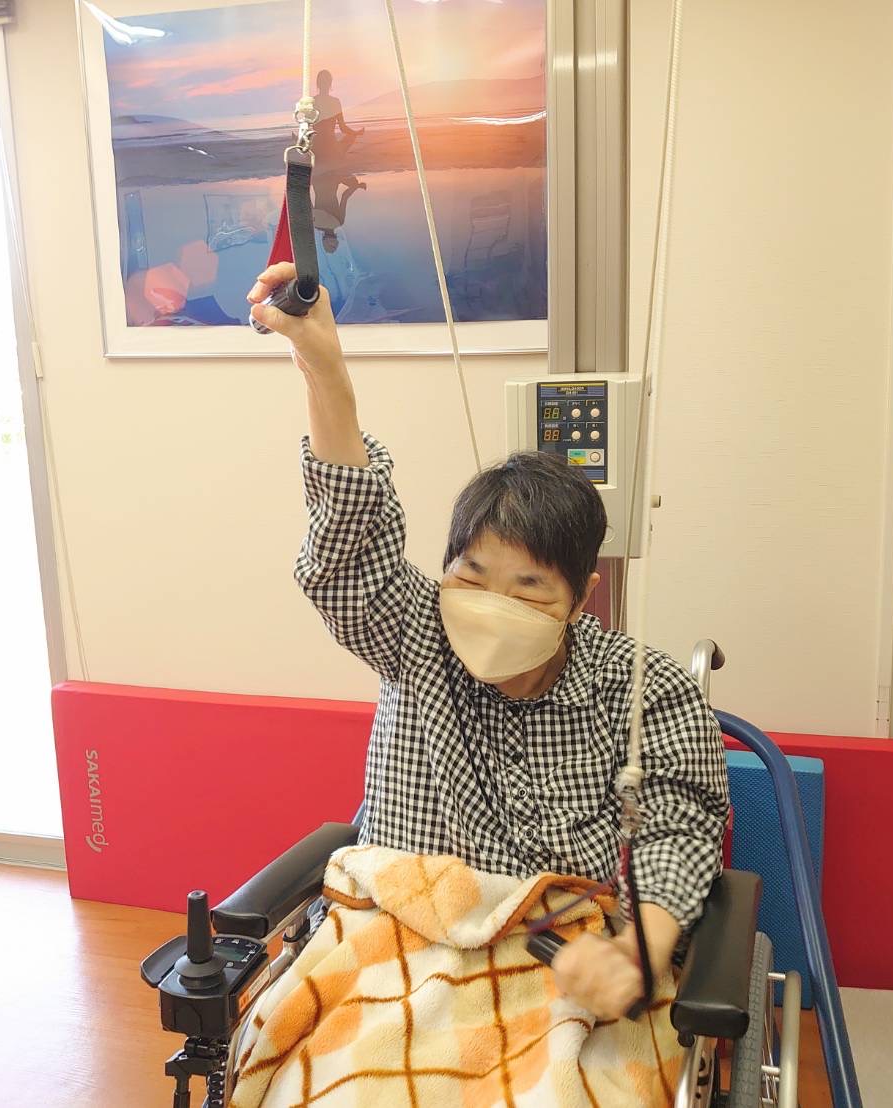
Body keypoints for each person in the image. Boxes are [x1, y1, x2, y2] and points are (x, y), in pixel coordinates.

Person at [247, 263, 730, 1021]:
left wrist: (636, 952)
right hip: (395, 949)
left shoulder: (647, 689)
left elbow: (677, 831)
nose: (493, 608)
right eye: (470, 576)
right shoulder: (414, 632)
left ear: (581, 599)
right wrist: (324, 372)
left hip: (558, 963)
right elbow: (348, 552)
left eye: (529, 588)